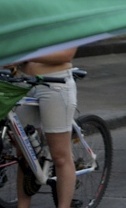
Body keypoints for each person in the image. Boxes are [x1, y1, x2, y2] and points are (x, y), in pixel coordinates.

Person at [13, 48, 78, 208]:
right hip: (24, 81)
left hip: (55, 83)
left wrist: (24, 55)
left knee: (60, 155)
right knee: (25, 153)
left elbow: (66, 54)